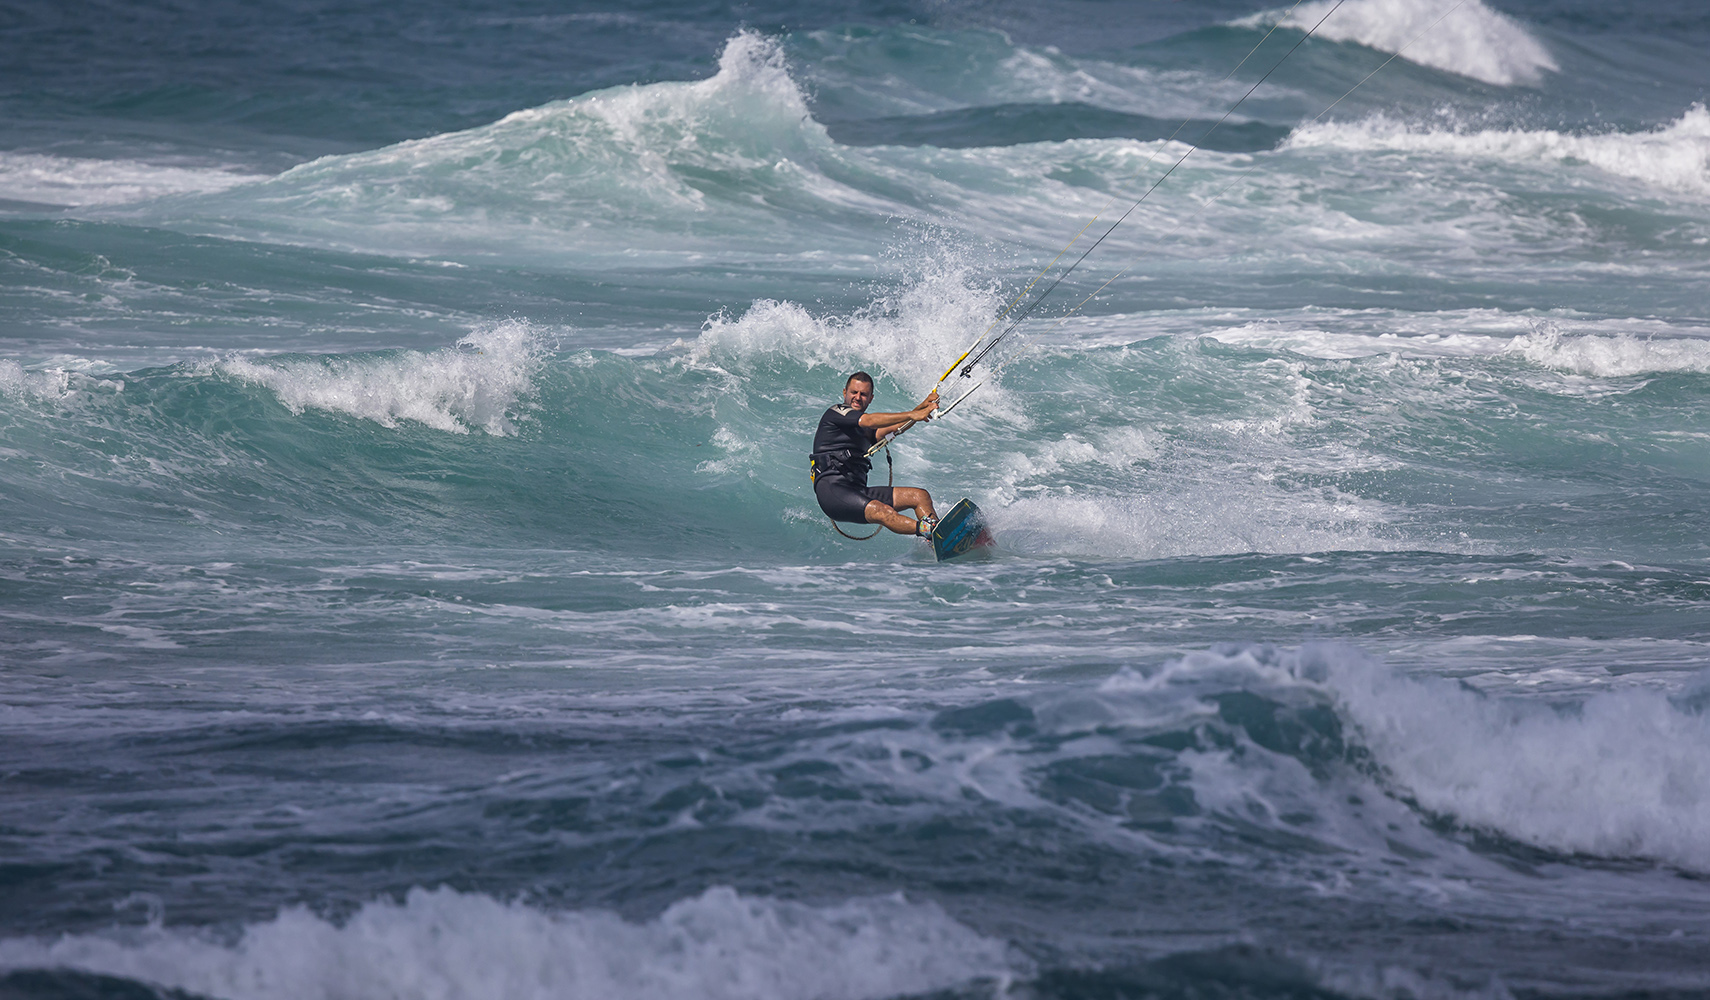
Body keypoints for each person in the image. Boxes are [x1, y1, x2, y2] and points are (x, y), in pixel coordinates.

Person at [810, 371, 940, 536]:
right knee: (883, 512)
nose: (857, 397)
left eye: (863, 394)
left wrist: (924, 406)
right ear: (844, 393)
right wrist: (912, 414)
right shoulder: (836, 412)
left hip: (857, 491)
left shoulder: (867, 432)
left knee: (920, 496)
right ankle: (932, 531)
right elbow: (869, 420)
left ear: (871, 398)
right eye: (853, 392)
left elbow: (897, 427)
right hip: (833, 492)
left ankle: (937, 542)